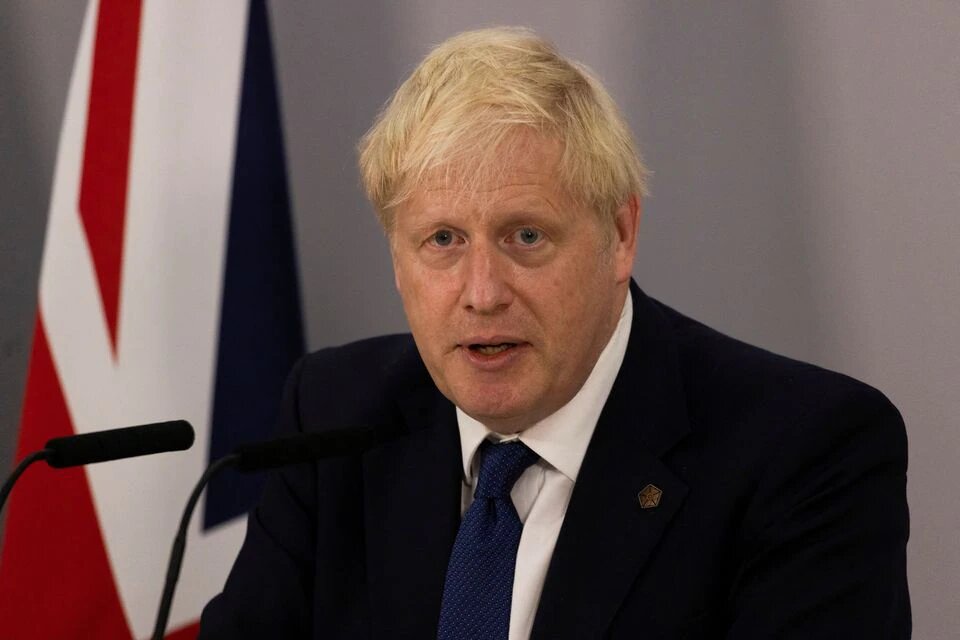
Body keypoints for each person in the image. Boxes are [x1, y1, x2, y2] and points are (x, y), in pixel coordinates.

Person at [199, 27, 910, 639]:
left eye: (526, 235)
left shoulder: (806, 453)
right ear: (396, 255)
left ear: (622, 233)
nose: (481, 293)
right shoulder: (336, 416)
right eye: (442, 240)